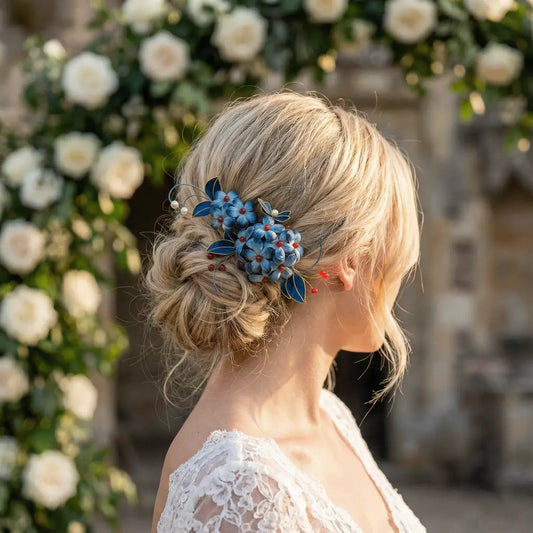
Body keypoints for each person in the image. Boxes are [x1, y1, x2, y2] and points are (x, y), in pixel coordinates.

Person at [146, 91, 425, 532]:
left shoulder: (331, 417)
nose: (402, 269)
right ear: (348, 259)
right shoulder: (239, 489)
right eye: (395, 242)